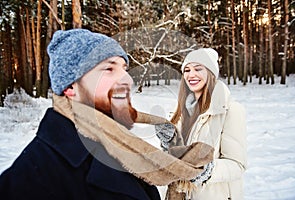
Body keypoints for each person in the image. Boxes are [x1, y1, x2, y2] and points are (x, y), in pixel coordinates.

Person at [0, 29, 215, 200]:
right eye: (109, 69)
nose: (128, 80)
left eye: (124, 68)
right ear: (70, 88)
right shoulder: (33, 180)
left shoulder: (115, 142)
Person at [167, 48, 247, 200]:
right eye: (187, 70)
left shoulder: (231, 110)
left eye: (198, 69)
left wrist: (206, 171)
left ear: (211, 74)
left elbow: (237, 165)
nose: (191, 75)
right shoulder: (178, 111)